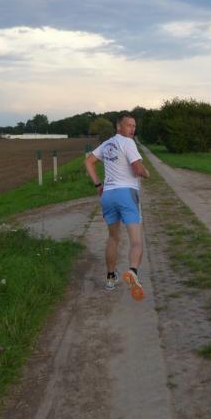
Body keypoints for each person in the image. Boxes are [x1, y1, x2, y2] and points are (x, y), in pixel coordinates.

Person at [85, 113, 150, 300]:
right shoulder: (128, 143)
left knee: (113, 238)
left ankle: (110, 278)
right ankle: (132, 272)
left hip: (108, 195)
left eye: (134, 126)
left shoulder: (107, 144)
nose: (132, 129)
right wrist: (147, 173)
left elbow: (88, 161)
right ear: (119, 127)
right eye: (129, 125)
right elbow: (137, 169)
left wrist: (98, 185)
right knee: (136, 241)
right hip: (126, 194)